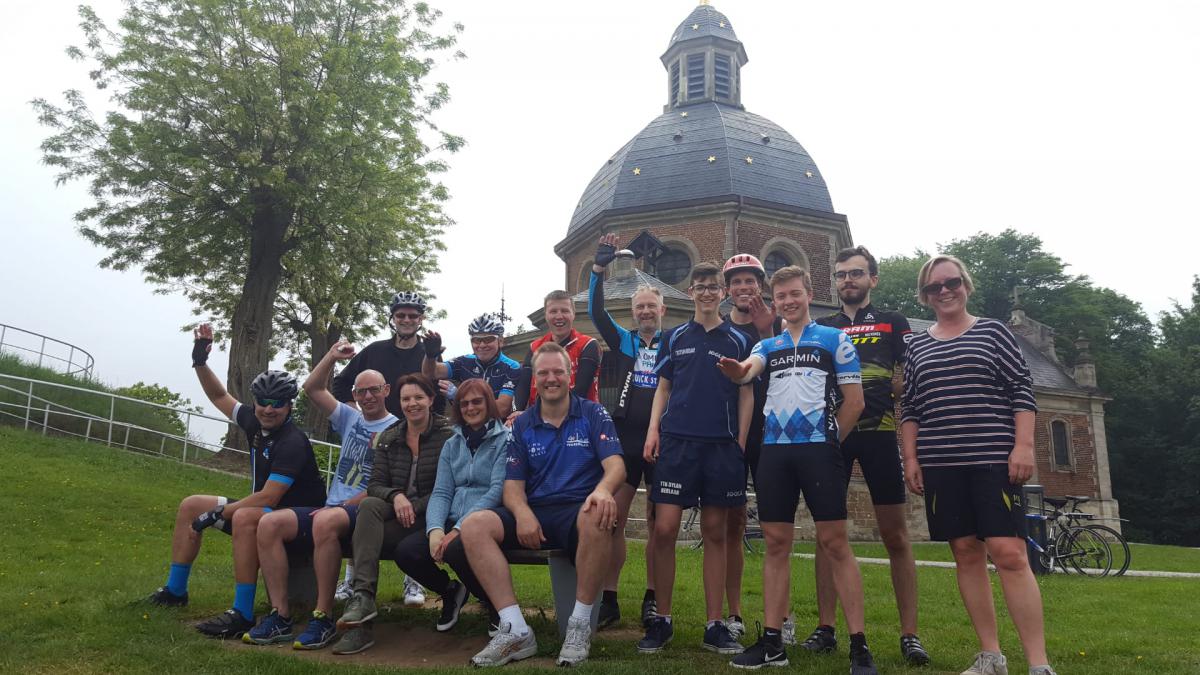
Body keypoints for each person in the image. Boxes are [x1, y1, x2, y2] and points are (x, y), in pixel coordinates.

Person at [716, 265, 877, 673]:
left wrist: (829, 442)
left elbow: (855, 402)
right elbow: (748, 369)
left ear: (809, 294)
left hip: (819, 451)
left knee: (835, 543)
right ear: (774, 301)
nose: (788, 301)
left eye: (794, 294)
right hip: (774, 453)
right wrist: (736, 371)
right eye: (781, 296)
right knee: (775, 545)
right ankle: (773, 642)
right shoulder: (768, 345)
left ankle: (859, 645)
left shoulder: (834, 339)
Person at [901, 255, 1056, 675]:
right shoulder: (916, 345)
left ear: (966, 285)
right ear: (925, 295)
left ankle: (1038, 664)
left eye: (951, 282)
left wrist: (1023, 446)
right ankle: (991, 656)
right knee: (966, 553)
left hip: (992, 459)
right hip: (941, 463)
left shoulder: (993, 332)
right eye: (934, 287)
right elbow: (911, 406)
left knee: (1010, 554)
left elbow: (1022, 390)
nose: (944, 291)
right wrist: (911, 458)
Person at [146, 324, 325, 640]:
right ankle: (175, 591)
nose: (268, 409)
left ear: (290, 406)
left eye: (277, 403)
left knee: (244, 517)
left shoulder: (293, 442)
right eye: (263, 401)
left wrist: (218, 514)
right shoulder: (255, 421)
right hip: (267, 511)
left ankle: (242, 612)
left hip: (300, 518)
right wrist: (200, 361)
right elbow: (218, 395)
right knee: (191, 505)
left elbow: (269, 497)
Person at [460, 342, 624, 667]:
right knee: (474, 525)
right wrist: (522, 513)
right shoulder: (521, 424)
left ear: (569, 374)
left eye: (558, 372)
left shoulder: (593, 413)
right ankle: (515, 629)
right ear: (534, 379)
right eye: (543, 373)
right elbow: (512, 486)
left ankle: (579, 625)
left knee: (599, 512)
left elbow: (616, 466)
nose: (551, 378)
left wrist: (604, 491)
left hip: (578, 509)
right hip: (535, 510)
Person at [813, 245, 929, 665]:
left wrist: (891, 391)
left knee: (896, 536)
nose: (848, 280)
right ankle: (825, 628)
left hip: (879, 434)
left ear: (872, 279)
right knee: (828, 537)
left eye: (856, 273)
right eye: (842, 274)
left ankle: (910, 634)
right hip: (836, 435)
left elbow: (915, 368)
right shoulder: (823, 326)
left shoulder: (893, 321)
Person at [241, 340, 396, 649]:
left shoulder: (397, 428)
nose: (367, 396)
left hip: (363, 508)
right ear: (354, 395)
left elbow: (392, 479)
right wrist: (331, 356)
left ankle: (322, 616)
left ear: (386, 391)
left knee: (324, 522)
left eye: (374, 390)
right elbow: (312, 388)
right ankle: (280, 615)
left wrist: (349, 502)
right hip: (330, 507)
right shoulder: (349, 418)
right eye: (361, 391)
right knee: (269, 524)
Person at [638, 262, 754, 656]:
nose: (707, 293)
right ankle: (662, 619)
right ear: (691, 292)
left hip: (720, 446)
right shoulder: (674, 337)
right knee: (665, 528)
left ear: (723, 293)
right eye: (700, 286)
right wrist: (653, 431)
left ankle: (714, 624)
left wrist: (740, 442)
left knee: (716, 532)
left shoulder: (739, 340)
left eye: (713, 287)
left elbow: (746, 393)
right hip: (677, 444)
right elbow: (663, 387)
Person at [332, 374, 453, 655]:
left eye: (418, 397)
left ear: (431, 400)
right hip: (397, 510)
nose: (412, 404)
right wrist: (397, 496)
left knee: (379, 541)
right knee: (369, 506)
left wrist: (413, 506)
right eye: (406, 399)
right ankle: (362, 599)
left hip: (434, 513)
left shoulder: (447, 436)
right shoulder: (389, 436)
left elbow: (449, 487)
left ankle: (362, 618)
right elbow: (375, 484)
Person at [332, 290, 439, 605]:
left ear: (420, 320)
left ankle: (413, 581)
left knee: (415, 501)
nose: (406, 320)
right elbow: (341, 384)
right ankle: (351, 579)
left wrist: (432, 357)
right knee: (366, 501)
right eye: (401, 315)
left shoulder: (428, 352)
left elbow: (432, 389)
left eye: (413, 315)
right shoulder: (374, 351)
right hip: (378, 436)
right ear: (392, 318)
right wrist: (360, 415)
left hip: (415, 436)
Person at [588, 233, 667, 629]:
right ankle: (610, 598)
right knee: (612, 519)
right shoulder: (624, 341)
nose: (646, 311)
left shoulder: (674, 342)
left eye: (651, 305)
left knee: (658, 524)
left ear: (662, 309)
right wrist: (597, 270)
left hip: (663, 442)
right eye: (640, 307)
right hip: (626, 440)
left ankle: (653, 598)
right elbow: (596, 312)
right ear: (634, 312)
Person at [412, 378, 511, 633]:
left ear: (489, 404)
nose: (470, 408)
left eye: (477, 401)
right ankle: (451, 591)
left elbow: (497, 491)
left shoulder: (505, 440)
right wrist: (435, 530)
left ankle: (496, 603)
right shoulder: (452, 443)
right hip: (452, 515)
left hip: (487, 517)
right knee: (408, 551)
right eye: (464, 403)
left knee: (456, 550)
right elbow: (442, 491)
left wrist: (458, 529)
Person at [720, 252, 782, 642]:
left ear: (761, 286)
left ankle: (783, 616)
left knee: (776, 528)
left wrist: (767, 330)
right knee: (733, 524)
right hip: (730, 436)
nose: (744, 288)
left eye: (751, 281)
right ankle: (735, 613)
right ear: (728, 290)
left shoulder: (777, 327)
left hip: (771, 434)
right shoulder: (720, 330)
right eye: (737, 282)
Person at [513, 290, 601, 411]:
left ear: (573, 314)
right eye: (553, 311)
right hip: (538, 416)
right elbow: (523, 386)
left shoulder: (588, 345)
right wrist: (517, 412)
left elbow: (581, 390)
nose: (559, 316)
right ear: (546, 315)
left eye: (565, 311)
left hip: (581, 414)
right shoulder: (534, 347)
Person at [421, 313, 520, 418]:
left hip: (497, 426)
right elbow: (430, 373)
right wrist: (430, 356)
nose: (482, 345)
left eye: (488, 339)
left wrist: (460, 397)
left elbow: (502, 409)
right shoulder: (464, 362)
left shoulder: (512, 367)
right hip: (468, 424)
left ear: (500, 341)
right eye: (476, 340)